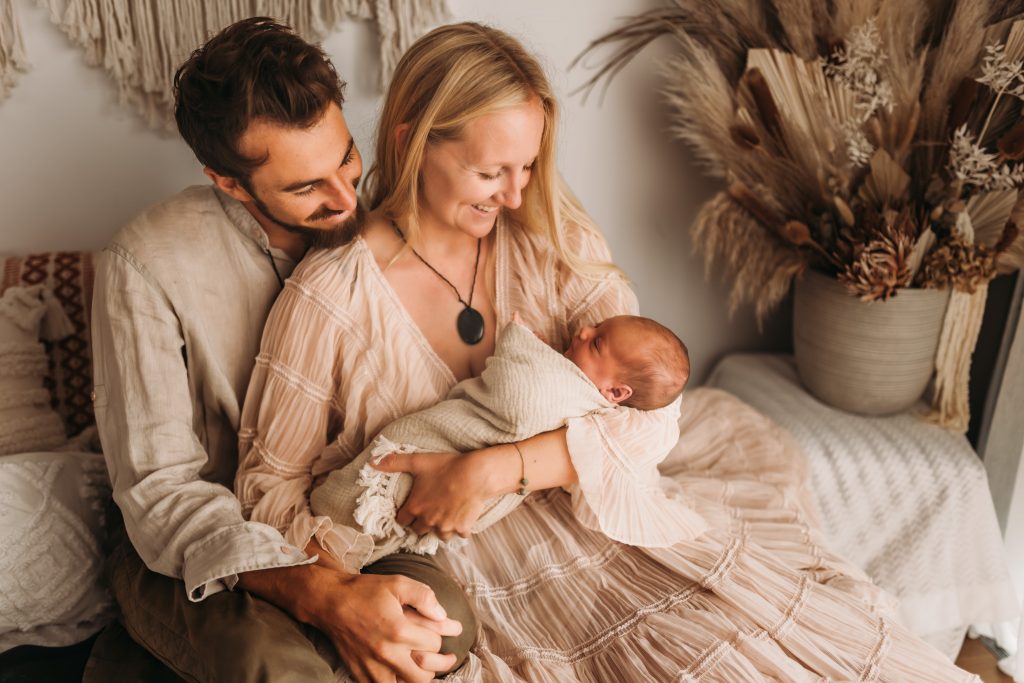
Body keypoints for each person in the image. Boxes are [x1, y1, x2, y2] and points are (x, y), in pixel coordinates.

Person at [235, 20, 977, 681]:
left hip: (595, 522)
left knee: (731, 644)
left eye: (527, 166)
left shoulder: (554, 239)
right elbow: (266, 491)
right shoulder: (329, 298)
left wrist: (494, 467)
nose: (514, 192)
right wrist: (345, 587)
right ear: (412, 140)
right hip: (462, 564)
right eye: (491, 171)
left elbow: (650, 419)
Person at [88, 17, 467, 683]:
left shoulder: (383, 215)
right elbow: (159, 488)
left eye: (346, 157)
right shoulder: (144, 261)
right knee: (275, 666)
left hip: (350, 519)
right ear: (228, 181)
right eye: (305, 188)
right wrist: (324, 596)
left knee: (443, 628)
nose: (348, 197)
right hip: (205, 545)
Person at [298, 313, 700, 566]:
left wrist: (520, 342)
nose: (582, 329)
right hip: (433, 441)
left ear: (616, 395)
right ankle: (330, 549)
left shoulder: (593, 406)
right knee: (359, 508)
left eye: (596, 342)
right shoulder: (579, 390)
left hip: (474, 510)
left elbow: (518, 403)